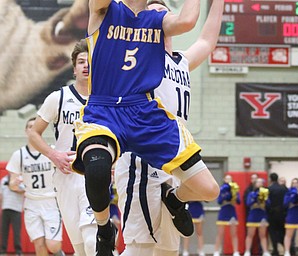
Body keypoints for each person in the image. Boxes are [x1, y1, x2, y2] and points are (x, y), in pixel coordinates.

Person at [70, 1, 220, 255]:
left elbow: (193, 27)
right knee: (98, 172)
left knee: (207, 193)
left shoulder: (175, 55)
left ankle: (175, 199)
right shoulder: (108, 11)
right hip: (111, 115)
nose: (160, 11)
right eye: (155, 7)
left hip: (150, 119)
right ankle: (105, 229)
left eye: (164, 8)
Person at [114, 0, 224, 255]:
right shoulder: (137, 56)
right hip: (143, 156)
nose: (156, 16)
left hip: (174, 156)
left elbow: (207, 41)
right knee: (140, 247)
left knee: (167, 250)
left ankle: (175, 198)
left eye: (160, 11)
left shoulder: (181, 61)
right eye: (148, 12)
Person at [29, 39, 98, 256]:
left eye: (90, 61)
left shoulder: (105, 99)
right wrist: (53, 154)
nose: (86, 65)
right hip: (65, 175)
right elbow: (33, 133)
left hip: (93, 173)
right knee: (79, 246)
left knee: (91, 240)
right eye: (81, 61)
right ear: (74, 68)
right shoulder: (58, 98)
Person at [7, 117, 65, 256]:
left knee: (53, 245)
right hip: (31, 203)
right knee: (39, 245)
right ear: (26, 131)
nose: (32, 128)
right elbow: (12, 184)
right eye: (30, 126)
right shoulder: (18, 155)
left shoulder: (52, 151)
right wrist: (15, 185)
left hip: (51, 201)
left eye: (35, 126)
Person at [213, 174, 240, 256]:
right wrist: (225, 195)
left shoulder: (235, 188)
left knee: (234, 233)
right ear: (224, 179)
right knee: (220, 233)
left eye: (230, 179)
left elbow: (239, 201)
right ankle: (216, 251)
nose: (228, 180)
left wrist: (234, 195)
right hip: (223, 211)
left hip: (231, 210)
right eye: (227, 179)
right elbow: (219, 201)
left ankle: (235, 251)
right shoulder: (222, 189)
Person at [244, 178, 271, 256]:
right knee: (250, 235)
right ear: (255, 184)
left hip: (262, 215)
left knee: (263, 235)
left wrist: (264, 198)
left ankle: (265, 251)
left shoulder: (265, 193)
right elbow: (248, 203)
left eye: (261, 182)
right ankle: (247, 251)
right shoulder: (251, 193)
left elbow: (269, 204)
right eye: (258, 182)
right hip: (253, 215)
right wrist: (255, 197)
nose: (260, 183)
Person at [0, 174, 24, 256]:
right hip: (5, 208)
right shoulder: (3, 180)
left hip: (16, 209)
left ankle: (18, 251)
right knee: (4, 231)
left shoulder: (21, 179)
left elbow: (23, 191)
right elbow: (1, 195)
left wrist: (12, 188)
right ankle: (2, 251)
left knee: (16, 231)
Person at [283, 178, 298, 256]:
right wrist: (292, 196)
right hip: (291, 215)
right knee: (288, 235)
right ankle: (287, 252)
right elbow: (285, 203)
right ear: (291, 184)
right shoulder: (288, 192)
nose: (295, 184)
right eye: (293, 183)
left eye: (296, 183)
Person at [268, 172, 288, 256]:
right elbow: (286, 201)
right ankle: (285, 248)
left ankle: (275, 250)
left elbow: (267, 202)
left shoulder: (269, 189)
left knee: (272, 231)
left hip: (272, 213)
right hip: (282, 213)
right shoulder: (284, 189)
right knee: (282, 231)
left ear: (270, 179)